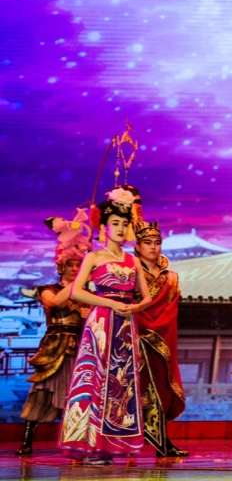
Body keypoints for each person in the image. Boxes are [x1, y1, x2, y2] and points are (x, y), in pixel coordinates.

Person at [59, 188, 152, 465]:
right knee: (95, 380)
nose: (121, 229)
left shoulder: (133, 260)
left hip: (125, 324)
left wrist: (135, 308)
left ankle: (112, 444)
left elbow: (147, 297)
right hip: (101, 322)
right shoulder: (94, 257)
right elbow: (76, 291)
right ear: (104, 227)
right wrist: (110, 303)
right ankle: (89, 444)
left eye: (124, 224)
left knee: (120, 383)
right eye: (115, 223)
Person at [16, 211, 92, 455]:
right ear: (61, 266)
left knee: (80, 395)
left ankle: (78, 441)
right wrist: (78, 287)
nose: (74, 268)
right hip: (55, 346)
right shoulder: (48, 289)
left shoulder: (88, 294)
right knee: (41, 393)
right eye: (70, 265)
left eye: (78, 265)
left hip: (80, 347)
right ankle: (27, 441)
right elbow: (53, 302)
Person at [132, 221, 188, 457]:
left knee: (162, 386)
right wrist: (140, 327)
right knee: (135, 388)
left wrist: (157, 330)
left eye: (157, 243)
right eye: (147, 243)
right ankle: (128, 441)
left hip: (162, 338)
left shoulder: (171, 278)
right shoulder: (130, 273)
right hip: (135, 335)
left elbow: (171, 309)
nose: (153, 247)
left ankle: (162, 441)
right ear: (137, 246)